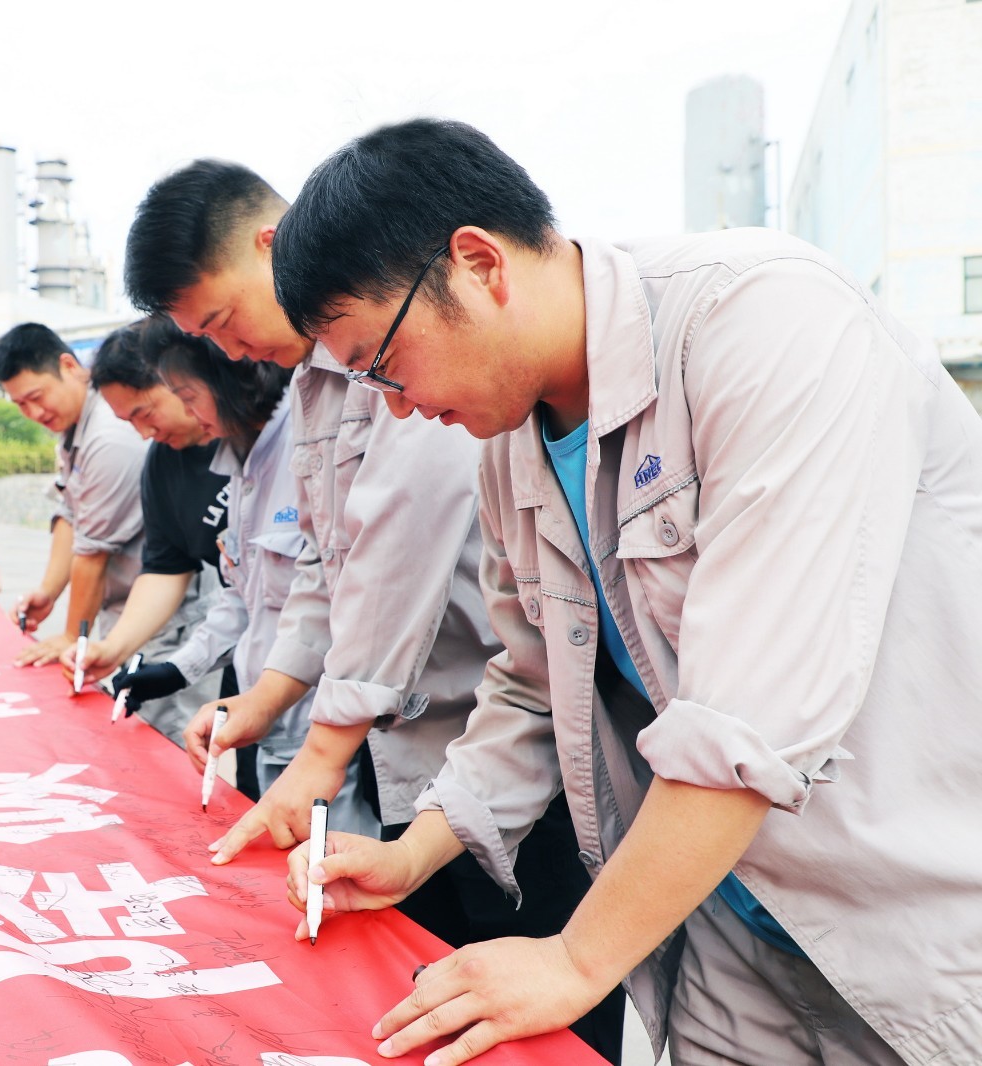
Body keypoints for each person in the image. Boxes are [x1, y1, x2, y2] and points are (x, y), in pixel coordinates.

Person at [275, 118, 982, 1066]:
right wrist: (417, 850)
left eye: (387, 366)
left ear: (479, 264)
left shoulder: (764, 322)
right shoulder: (509, 445)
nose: (398, 407)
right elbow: (530, 684)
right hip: (729, 925)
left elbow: (745, 723)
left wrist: (575, 958)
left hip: (919, 923)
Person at [126, 158, 623, 1063]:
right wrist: (275, 709)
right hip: (445, 765)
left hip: (539, 774)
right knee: (438, 1003)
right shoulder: (343, 385)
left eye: (224, 320)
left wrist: (318, 756)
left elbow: (397, 549)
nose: (229, 352)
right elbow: (334, 563)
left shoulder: (411, 359)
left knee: (543, 1009)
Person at [137, 321, 375, 835]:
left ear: (231, 374)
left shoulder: (303, 447)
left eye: (187, 395)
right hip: (262, 720)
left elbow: (339, 589)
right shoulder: (238, 470)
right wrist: (178, 669)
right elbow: (241, 596)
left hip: (322, 729)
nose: (188, 412)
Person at [50, 318, 230, 748]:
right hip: (254, 656)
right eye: (128, 421)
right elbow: (166, 567)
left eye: (145, 412)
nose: (145, 433)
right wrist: (111, 649)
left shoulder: (259, 439)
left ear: (181, 379)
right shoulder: (163, 461)